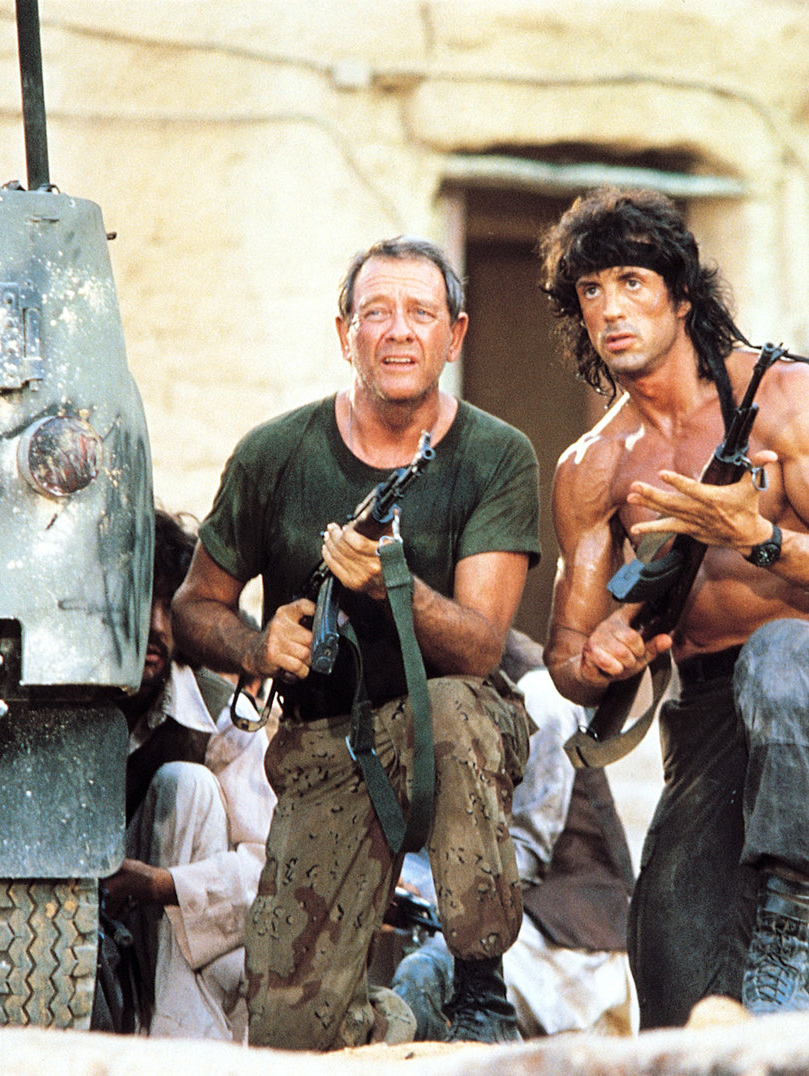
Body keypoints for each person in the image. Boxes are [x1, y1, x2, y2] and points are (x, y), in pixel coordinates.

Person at [538, 187, 809, 1025]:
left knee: (782, 652)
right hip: (712, 712)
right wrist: (600, 659)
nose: (611, 309)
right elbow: (567, 660)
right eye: (591, 290)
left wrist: (761, 539)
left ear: (681, 298)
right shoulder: (593, 466)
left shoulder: (789, 397)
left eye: (631, 282)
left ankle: (784, 935)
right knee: (679, 1009)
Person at [171, 237, 541, 1050]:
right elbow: (194, 606)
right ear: (346, 334)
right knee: (290, 1034)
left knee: (454, 707)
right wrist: (257, 648)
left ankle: (480, 986)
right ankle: (402, 1021)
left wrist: (391, 581)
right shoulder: (275, 454)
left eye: (421, 313)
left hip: (451, 730)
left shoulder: (496, 455)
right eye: (376, 313)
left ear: (456, 335)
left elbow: (482, 650)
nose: (399, 331)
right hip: (324, 743)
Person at [392, 629, 639, 1039]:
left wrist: (421, 885)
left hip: (571, 956)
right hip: (510, 931)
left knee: (426, 980)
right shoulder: (420, 694)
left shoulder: (543, 694)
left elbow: (524, 853)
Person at [98, 507, 275, 1041]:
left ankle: (184, 1041)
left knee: (187, 785)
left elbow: (268, 870)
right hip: (78, 946)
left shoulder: (223, 714)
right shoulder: (57, 707)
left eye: (170, 607)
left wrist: (162, 886)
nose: (156, 627)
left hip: (187, 949)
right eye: (140, 601)